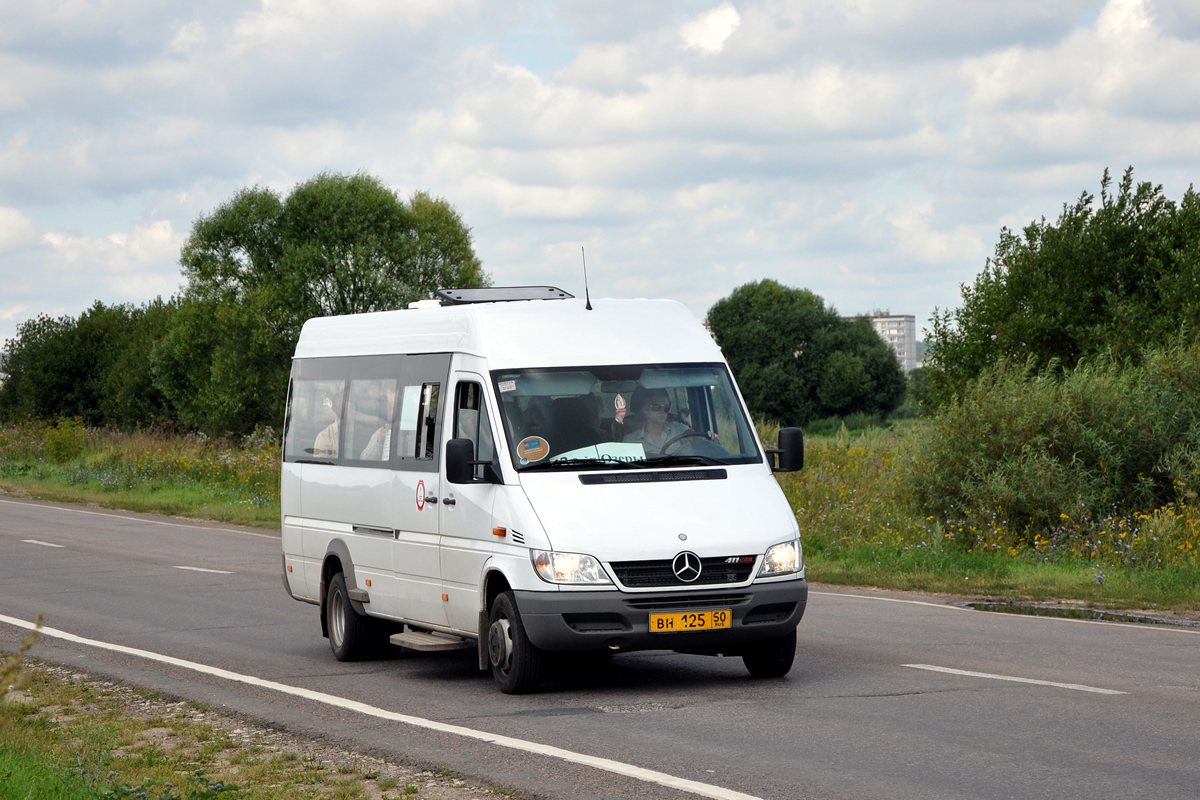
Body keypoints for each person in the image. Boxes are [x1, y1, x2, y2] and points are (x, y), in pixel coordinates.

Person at [622, 387, 708, 456]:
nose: (662, 411)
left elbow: (694, 436)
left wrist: (707, 438)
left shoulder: (678, 428)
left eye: (666, 407)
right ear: (645, 409)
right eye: (656, 407)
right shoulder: (631, 441)